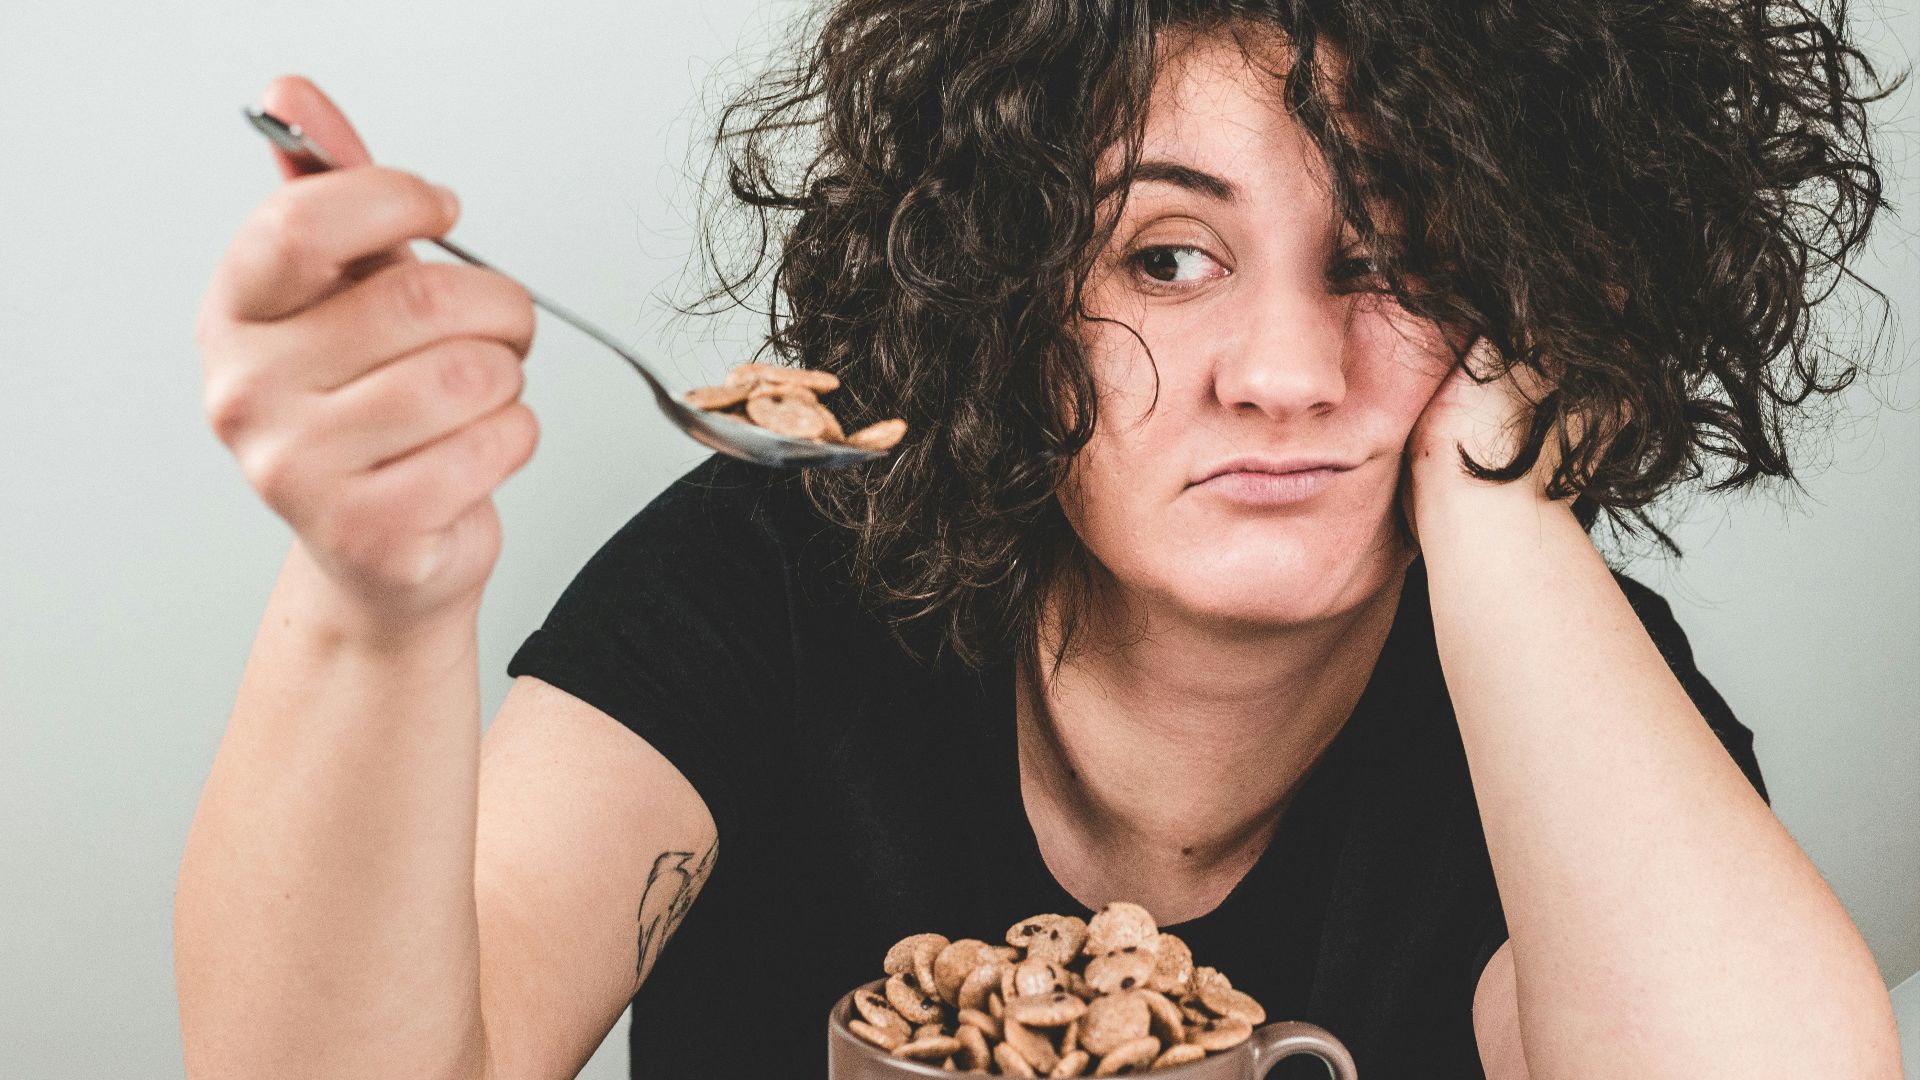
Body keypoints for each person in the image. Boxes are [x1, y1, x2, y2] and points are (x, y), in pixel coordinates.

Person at [175, 1, 1906, 1077]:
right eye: (1165, 255)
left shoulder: (1560, 693)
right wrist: (368, 600)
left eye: (1393, 259)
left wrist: (1511, 489)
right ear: (1006, 291)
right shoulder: (769, 575)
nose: (1290, 377)